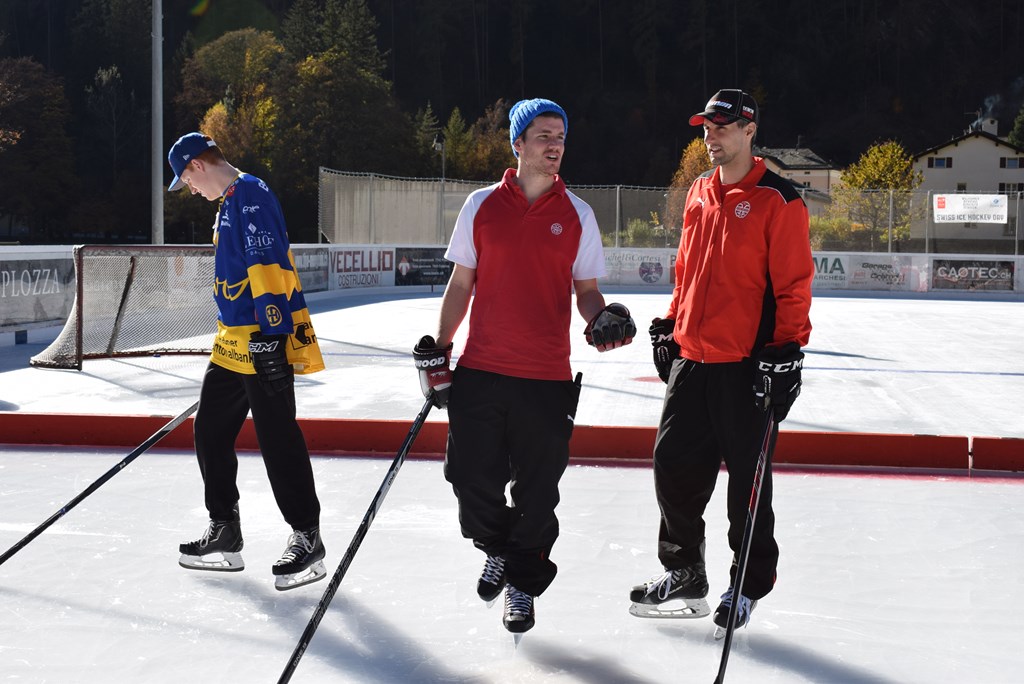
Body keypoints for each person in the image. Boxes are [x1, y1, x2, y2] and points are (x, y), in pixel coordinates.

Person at [413, 98, 636, 636]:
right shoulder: (480, 205)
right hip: (482, 369)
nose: (555, 145)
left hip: (545, 378)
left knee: (538, 494)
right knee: (469, 478)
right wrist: (439, 346)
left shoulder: (578, 214)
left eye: (560, 137)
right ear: (517, 143)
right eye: (543, 136)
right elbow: (461, 283)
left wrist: (601, 316)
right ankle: (497, 548)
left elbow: (586, 291)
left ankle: (522, 582)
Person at [629, 90, 813, 633]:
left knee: (747, 487)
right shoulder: (699, 192)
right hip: (693, 358)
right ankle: (685, 570)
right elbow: (686, 270)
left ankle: (747, 584)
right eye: (707, 127)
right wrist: (671, 323)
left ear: (750, 131)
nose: (712, 136)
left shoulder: (779, 199)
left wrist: (786, 352)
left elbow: (794, 284)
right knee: (673, 468)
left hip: (748, 364)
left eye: (723, 126)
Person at [166, 132, 328, 591]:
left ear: (197, 165)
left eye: (186, 180)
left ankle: (307, 535)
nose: (190, 189)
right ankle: (224, 528)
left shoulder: (251, 194)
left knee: (277, 436)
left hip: (260, 339)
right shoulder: (230, 201)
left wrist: (273, 337)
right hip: (231, 341)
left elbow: (269, 265)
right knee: (210, 430)